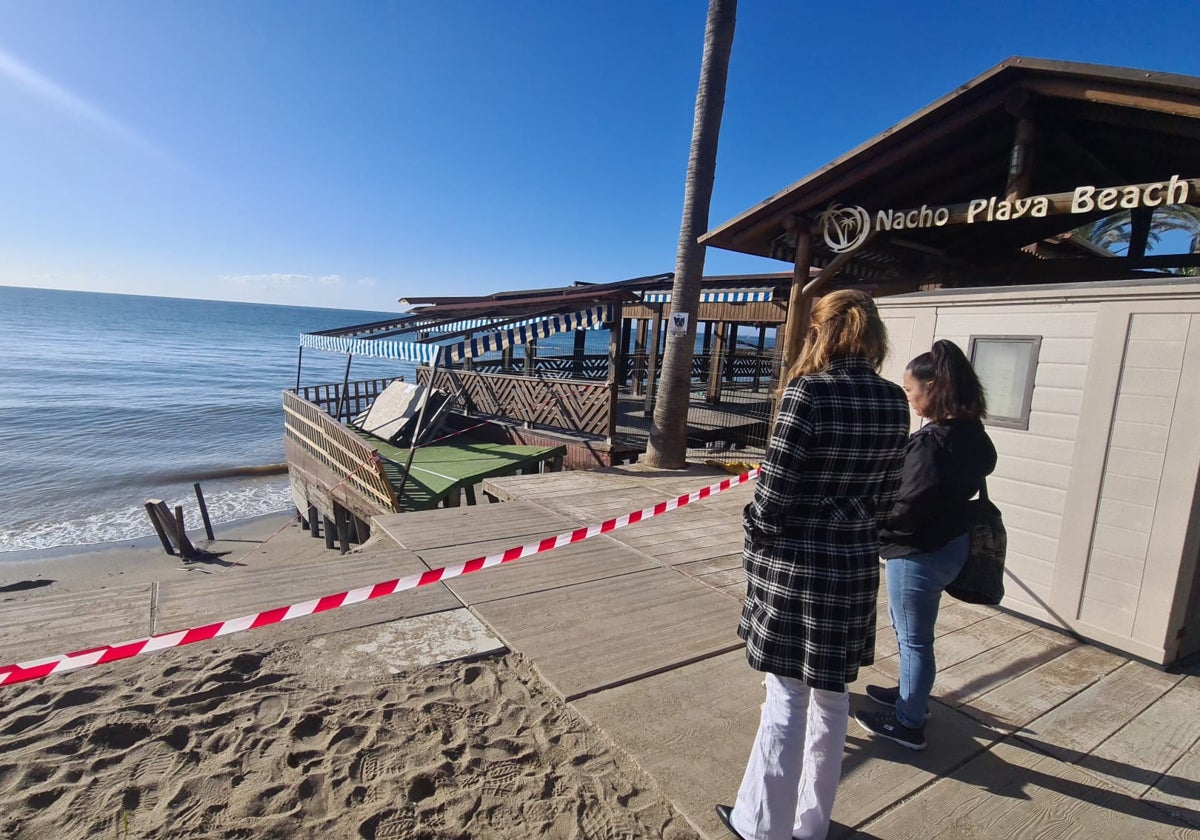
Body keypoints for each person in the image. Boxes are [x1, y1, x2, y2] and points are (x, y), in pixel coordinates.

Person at [716, 289, 911, 840]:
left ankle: (762, 827)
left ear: (820, 332)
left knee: (785, 696)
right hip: (851, 565)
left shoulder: (808, 393)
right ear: (873, 335)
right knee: (832, 697)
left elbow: (772, 496)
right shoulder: (895, 400)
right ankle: (810, 827)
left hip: (798, 566)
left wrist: (755, 531)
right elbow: (890, 495)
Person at [856, 339, 997, 751]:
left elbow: (907, 506)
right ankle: (909, 693)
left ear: (932, 386)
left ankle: (908, 721)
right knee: (915, 635)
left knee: (914, 638)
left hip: (918, 554)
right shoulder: (972, 434)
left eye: (910, 389)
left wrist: (875, 529)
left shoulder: (931, 443)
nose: (909, 397)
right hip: (953, 544)